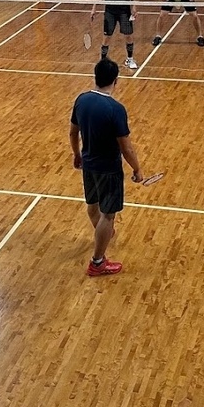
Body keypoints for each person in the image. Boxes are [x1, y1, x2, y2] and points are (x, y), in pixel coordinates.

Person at [70, 57, 143, 276]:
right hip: (109, 169)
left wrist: (76, 154)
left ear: (96, 77)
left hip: (88, 165)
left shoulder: (81, 100)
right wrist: (137, 169)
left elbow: (73, 132)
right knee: (108, 215)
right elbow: (126, 148)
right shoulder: (115, 109)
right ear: (116, 80)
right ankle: (98, 262)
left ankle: (103, 235)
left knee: (93, 207)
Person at [90, 0, 139, 70]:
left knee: (128, 36)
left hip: (125, 12)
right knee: (106, 37)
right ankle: (102, 61)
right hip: (110, 12)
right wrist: (94, 7)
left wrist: (134, 7)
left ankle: (130, 59)